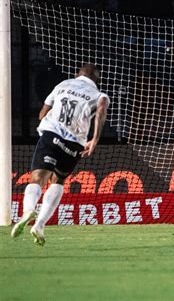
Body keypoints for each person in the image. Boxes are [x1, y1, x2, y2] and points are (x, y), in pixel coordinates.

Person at [11, 64, 110, 246]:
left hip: (51, 134)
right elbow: (102, 110)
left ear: (77, 75)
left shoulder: (63, 85)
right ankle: (40, 224)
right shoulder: (99, 95)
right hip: (74, 144)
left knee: (37, 179)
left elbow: (43, 112)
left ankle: (28, 210)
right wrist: (94, 139)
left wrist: (45, 121)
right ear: (98, 81)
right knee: (58, 182)